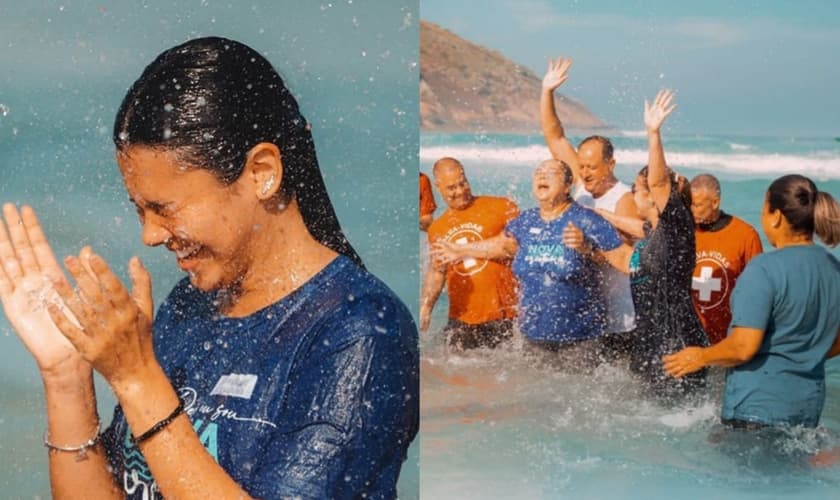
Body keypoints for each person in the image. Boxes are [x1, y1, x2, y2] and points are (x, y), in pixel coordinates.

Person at [0, 37, 418, 499]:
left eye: (165, 208)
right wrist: (67, 378)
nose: (151, 235)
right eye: (139, 210)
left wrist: (138, 380)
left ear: (261, 172)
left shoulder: (359, 332)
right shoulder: (190, 305)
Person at [664, 174, 840, 428]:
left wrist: (700, 356)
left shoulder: (764, 268)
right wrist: (801, 355)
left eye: (764, 209)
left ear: (776, 216)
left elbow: (742, 347)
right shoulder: (833, 268)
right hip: (807, 407)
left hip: (756, 406)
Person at [567, 89, 708, 395]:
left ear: (655, 199)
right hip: (650, 344)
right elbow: (621, 257)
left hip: (678, 344)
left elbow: (657, 182)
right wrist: (590, 236)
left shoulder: (676, 230)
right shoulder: (650, 237)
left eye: (639, 191)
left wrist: (653, 133)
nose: (635, 193)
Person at [433, 159, 622, 362]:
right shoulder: (525, 221)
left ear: (568, 186)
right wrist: (459, 250)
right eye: (538, 172)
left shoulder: (586, 219)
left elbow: (618, 260)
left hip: (580, 339)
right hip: (531, 339)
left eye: (551, 173)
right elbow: (503, 246)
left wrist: (588, 249)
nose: (542, 175)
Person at [541, 56, 639, 352]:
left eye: (592, 168)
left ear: (611, 164)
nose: (584, 173)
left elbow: (627, 259)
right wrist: (546, 92)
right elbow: (554, 135)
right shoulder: (582, 183)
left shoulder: (624, 199)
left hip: (618, 314)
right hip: (585, 308)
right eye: (581, 166)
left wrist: (587, 248)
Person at [420, 157, 519, 351]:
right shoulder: (437, 228)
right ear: (439, 187)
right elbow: (438, 270)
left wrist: (459, 250)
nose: (460, 191)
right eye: (451, 188)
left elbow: (512, 246)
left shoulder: (501, 206)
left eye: (462, 183)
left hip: (503, 315)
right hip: (461, 319)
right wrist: (426, 306)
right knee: (454, 375)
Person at [689, 174, 763, 344]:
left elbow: (758, 291)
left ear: (715, 202)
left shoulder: (745, 235)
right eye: (690, 204)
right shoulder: (686, 232)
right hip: (690, 339)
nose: (692, 210)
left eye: (697, 205)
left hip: (728, 339)